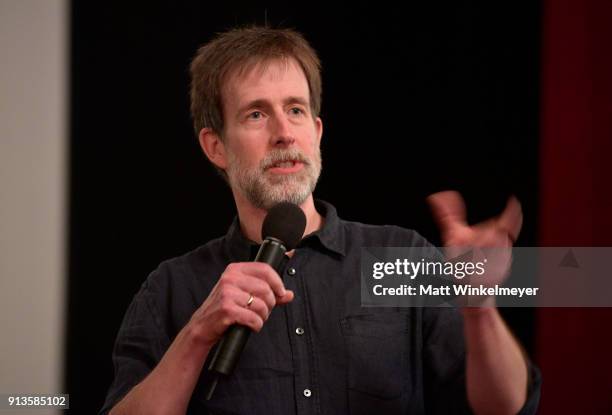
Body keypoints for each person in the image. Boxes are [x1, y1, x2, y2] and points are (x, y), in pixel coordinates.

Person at [100, 26, 540, 415]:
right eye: (256, 114)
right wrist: (197, 336)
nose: (284, 133)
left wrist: (480, 309)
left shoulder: (403, 258)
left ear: (317, 132)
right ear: (215, 147)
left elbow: (507, 407)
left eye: (295, 110)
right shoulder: (174, 289)